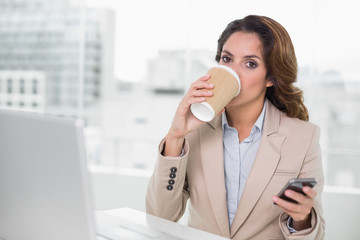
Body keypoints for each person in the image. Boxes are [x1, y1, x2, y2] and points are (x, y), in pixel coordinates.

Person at [145, 15, 325, 240]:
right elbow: (159, 217)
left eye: (250, 63)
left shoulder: (304, 137)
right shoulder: (194, 131)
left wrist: (301, 220)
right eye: (227, 59)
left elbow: (315, 234)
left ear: (271, 76)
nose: (233, 73)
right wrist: (176, 136)